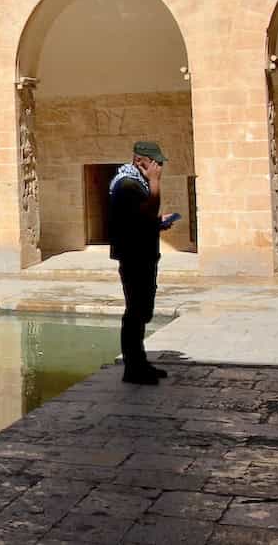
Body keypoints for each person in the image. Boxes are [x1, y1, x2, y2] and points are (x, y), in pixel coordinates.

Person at [109, 140, 180, 385]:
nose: (159, 168)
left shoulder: (134, 183)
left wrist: (158, 222)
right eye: (156, 164)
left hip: (141, 253)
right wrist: (155, 182)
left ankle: (138, 362)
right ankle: (133, 369)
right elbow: (146, 213)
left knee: (141, 310)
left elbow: (140, 219)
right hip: (134, 256)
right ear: (141, 161)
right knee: (135, 311)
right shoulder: (127, 184)